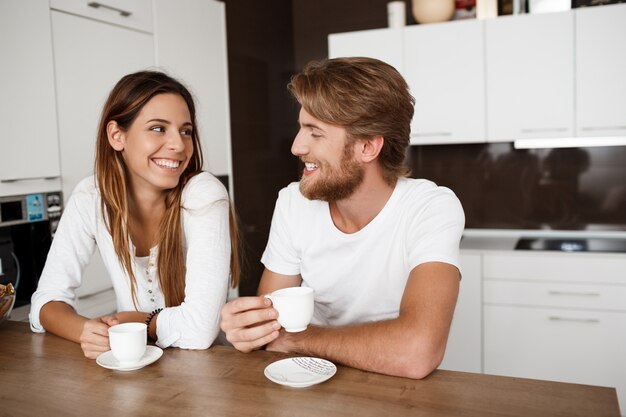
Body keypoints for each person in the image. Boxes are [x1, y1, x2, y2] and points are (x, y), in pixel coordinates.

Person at [220, 57, 464, 379]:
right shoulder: (294, 202)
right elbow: (272, 331)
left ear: (367, 147)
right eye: (300, 128)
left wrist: (299, 339)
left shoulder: (430, 208)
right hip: (311, 379)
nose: (296, 146)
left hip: (398, 390)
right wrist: (248, 328)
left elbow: (417, 352)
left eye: (315, 133)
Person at [30, 70, 239, 358]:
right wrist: (85, 330)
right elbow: (46, 300)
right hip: (131, 366)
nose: (178, 144)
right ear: (117, 135)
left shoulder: (203, 194)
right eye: (158, 128)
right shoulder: (91, 198)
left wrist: (135, 319)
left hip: (210, 369)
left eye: (185, 131)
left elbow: (201, 330)